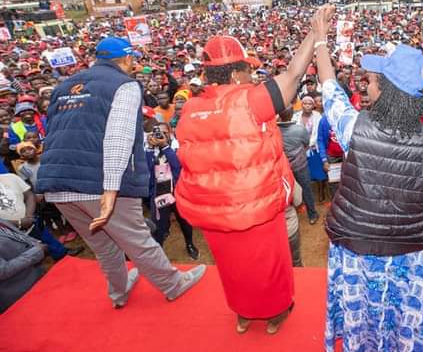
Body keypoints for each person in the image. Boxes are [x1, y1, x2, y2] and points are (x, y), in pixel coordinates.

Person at [314, 6, 423, 352]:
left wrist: (319, 38)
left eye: (373, 81)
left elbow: (330, 89)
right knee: (406, 330)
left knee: (364, 333)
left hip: (358, 256)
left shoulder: (353, 126)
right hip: (413, 258)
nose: (367, 85)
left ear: (388, 91)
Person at [37, 37, 206, 309]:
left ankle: (119, 292)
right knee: (137, 238)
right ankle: (173, 285)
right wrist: (110, 189)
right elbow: (119, 138)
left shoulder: (63, 86)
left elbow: (54, 133)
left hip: (57, 182)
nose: (135, 65)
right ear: (126, 59)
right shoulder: (124, 85)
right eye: (134, 59)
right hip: (99, 181)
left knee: (103, 245)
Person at [175, 25, 318, 334]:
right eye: (248, 71)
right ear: (237, 74)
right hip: (255, 208)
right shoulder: (251, 101)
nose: (253, 77)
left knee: (232, 268)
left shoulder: (189, 107)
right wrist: (315, 32)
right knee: (270, 264)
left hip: (213, 211)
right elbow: (293, 75)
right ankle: (275, 313)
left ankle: (243, 314)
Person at [145, 122, 198, 259]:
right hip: (158, 194)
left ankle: (190, 244)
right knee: (159, 226)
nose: (160, 135)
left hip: (178, 193)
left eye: (164, 133)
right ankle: (159, 252)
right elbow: (146, 172)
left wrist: (165, 147)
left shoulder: (177, 147)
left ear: (170, 133)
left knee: (184, 222)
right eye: (157, 132)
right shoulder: (148, 150)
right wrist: (150, 149)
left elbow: (178, 169)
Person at [0, 219, 45, 313]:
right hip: (20, 295)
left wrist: (36, 243)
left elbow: (18, 235)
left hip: (36, 277)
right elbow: (2, 271)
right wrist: (35, 252)